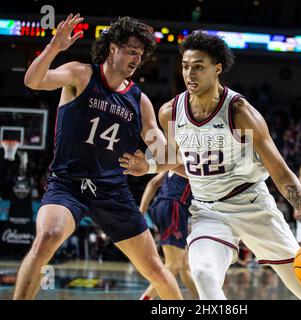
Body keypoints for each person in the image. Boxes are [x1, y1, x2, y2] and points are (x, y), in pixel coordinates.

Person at [119, 31, 301, 300]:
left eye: (199, 67)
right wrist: (148, 167)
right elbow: (179, 158)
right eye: (185, 66)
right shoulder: (170, 111)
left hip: (252, 205)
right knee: (203, 274)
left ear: (217, 69)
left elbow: (280, 171)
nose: (190, 74)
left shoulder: (240, 112)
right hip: (207, 210)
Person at [13, 14, 182, 300]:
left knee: (155, 268)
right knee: (47, 237)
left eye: (140, 55)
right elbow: (33, 81)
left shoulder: (139, 101)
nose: (136, 59)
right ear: (112, 47)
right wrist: (54, 47)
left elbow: (169, 156)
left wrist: (148, 166)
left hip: (112, 191)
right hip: (68, 184)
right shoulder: (81, 74)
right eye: (131, 51)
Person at [139, 171, 198, 300]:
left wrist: (141, 212)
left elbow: (152, 183)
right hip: (174, 207)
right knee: (173, 265)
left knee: (184, 265)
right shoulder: (194, 161)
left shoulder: (174, 162)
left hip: (163, 207)